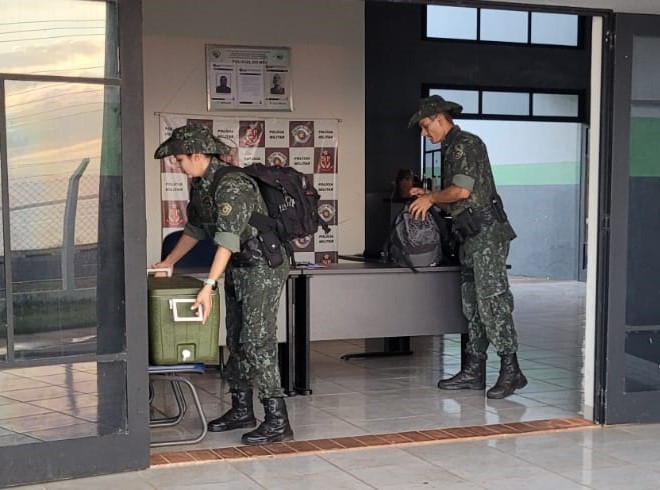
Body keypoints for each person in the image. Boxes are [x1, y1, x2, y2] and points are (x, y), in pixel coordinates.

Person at [152, 124, 293, 445]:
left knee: (257, 339)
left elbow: (227, 239)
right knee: (236, 337)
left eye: (179, 159)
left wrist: (208, 285)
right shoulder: (202, 184)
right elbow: (195, 229)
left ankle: (277, 418)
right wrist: (169, 261)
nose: (177, 164)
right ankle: (242, 409)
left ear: (198, 155)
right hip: (239, 265)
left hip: (262, 265)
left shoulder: (232, 184)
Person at [407, 95, 526, 399]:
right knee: (472, 305)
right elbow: (462, 192)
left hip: (486, 235)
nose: (424, 133)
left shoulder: (466, 144)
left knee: (492, 302)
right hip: (470, 236)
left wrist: (431, 198)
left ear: (439, 118)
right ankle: (474, 370)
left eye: (424, 126)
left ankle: (511, 370)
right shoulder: (451, 148)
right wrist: (430, 192)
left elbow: (461, 190)